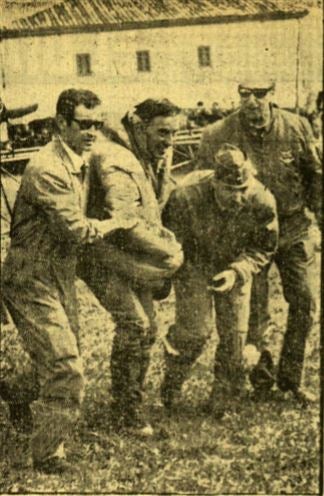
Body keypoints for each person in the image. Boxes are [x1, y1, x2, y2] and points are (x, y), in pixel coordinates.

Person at [1, 88, 136, 473]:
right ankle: (47, 453)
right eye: (84, 124)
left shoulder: (80, 159)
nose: (93, 132)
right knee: (65, 365)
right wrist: (118, 223)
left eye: (98, 124)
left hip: (58, 275)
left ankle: (12, 392)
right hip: (30, 279)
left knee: (60, 355)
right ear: (62, 124)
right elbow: (77, 230)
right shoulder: (48, 168)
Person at [197, 80, 322, 405]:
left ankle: (291, 379)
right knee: (255, 309)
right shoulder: (217, 134)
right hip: (249, 236)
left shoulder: (297, 126)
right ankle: (261, 379)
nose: (252, 102)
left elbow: (315, 179)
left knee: (305, 303)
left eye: (260, 94)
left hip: (294, 228)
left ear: (273, 94)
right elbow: (202, 189)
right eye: (245, 94)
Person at [78, 98, 184, 436]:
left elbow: (151, 209)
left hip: (128, 255)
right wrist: (168, 253)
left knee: (148, 328)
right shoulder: (114, 158)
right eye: (162, 132)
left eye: (173, 133)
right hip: (101, 255)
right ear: (139, 125)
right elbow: (125, 221)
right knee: (136, 325)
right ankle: (126, 412)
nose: (168, 141)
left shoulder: (145, 154)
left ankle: (129, 403)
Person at [160, 144, 278, 418]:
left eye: (242, 191)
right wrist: (183, 272)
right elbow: (170, 242)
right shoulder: (185, 197)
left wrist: (237, 271)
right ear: (214, 182)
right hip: (195, 263)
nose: (237, 198)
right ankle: (173, 383)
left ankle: (224, 400)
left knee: (235, 337)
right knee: (195, 331)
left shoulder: (261, 200)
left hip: (235, 265)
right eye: (229, 191)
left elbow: (264, 247)